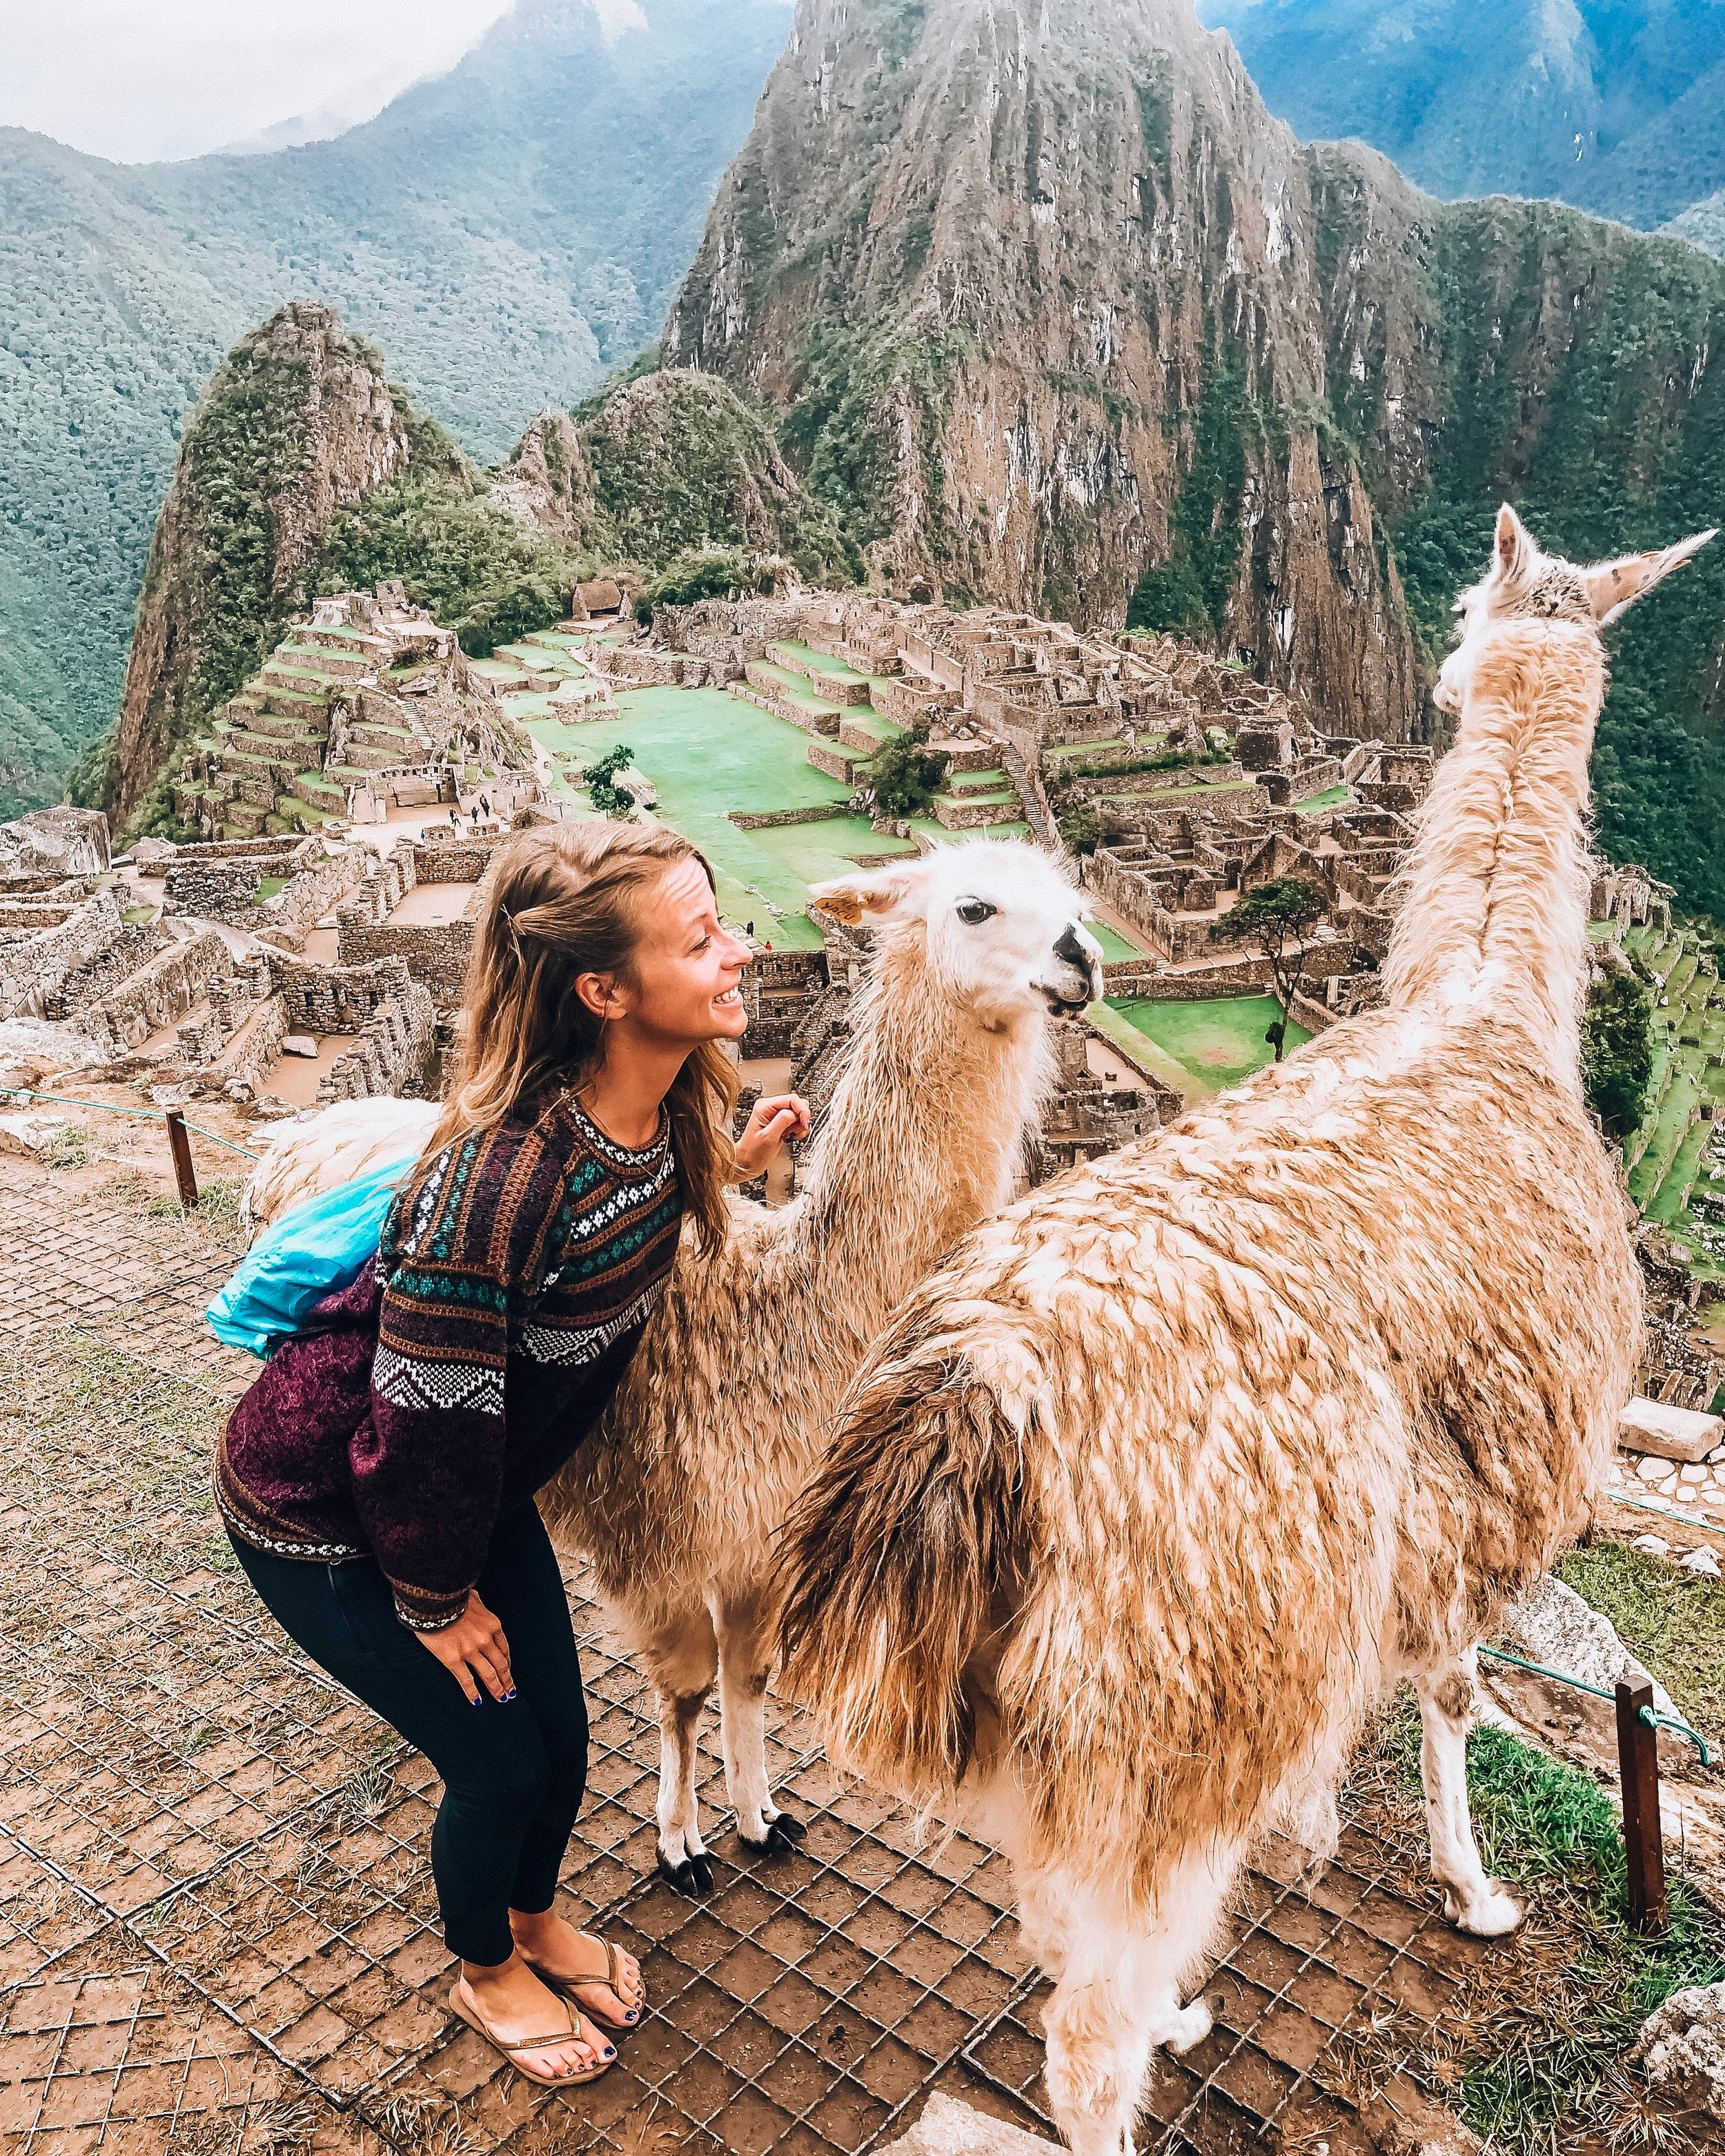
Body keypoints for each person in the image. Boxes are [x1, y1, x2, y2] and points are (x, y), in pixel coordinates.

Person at [215, 823, 809, 2088]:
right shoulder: (497, 1186)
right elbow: (419, 1414)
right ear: (604, 992)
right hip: (326, 1509)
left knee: (567, 1739)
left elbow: (653, 1218)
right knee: (496, 1762)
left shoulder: (664, 1116)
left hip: (458, 1495)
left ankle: (536, 1923)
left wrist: (746, 1161)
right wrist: (433, 1603)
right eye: (700, 939)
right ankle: (485, 1967)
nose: (738, 951)